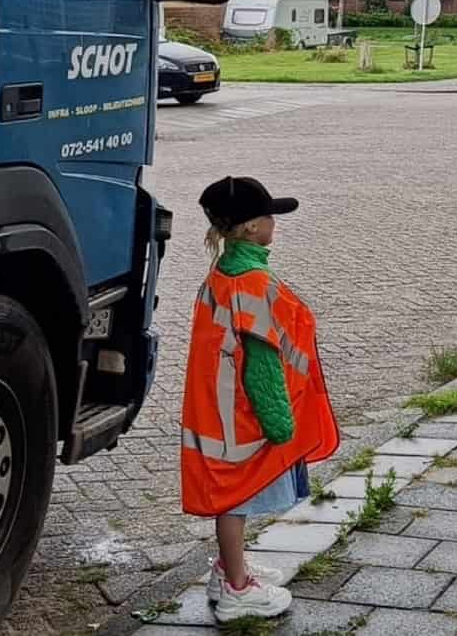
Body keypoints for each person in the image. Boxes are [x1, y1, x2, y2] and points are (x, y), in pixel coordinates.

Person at [181, 176, 339, 621]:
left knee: (234, 498)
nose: (275, 222)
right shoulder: (252, 282)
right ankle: (236, 590)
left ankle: (229, 568)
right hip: (243, 418)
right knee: (237, 498)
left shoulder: (225, 271)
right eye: (269, 216)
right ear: (250, 227)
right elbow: (262, 361)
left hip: (222, 410)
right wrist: (279, 422)